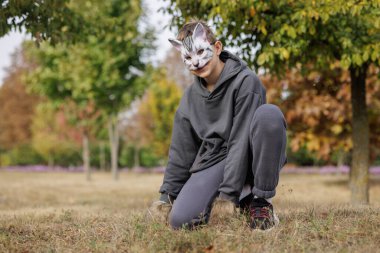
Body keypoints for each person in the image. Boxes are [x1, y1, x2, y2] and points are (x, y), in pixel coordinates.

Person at [149, 20, 287, 231]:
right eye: (188, 57)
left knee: (269, 115)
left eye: (200, 52)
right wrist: (166, 198)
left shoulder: (246, 82)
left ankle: (260, 201)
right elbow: (181, 150)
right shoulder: (189, 98)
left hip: (249, 153)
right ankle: (244, 199)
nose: (196, 62)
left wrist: (226, 198)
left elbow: (240, 142)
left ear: (217, 47)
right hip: (215, 160)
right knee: (180, 221)